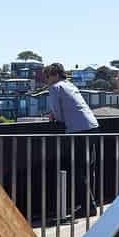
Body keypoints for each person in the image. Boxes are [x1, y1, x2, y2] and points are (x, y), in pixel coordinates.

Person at [43, 62, 98, 216]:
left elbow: (59, 115)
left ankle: (88, 207)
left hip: (78, 129)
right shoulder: (69, 85)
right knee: (88, 169)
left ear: (55, 75)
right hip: (92, 126)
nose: (46, 80)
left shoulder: (55, 87)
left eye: (47, 76)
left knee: (77, 170)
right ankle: (90, 204)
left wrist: (53, 115)